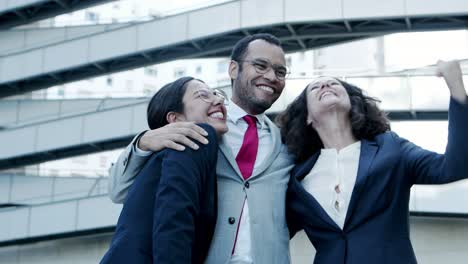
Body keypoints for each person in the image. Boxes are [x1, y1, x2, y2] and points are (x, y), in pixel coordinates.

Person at [107, 34, 295, 263]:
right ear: (234, 69)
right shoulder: (192, 130)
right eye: (260, 65)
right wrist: (143, 142)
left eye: (280, 71)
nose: (271, 76)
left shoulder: (287, 144)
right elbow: (119, 191)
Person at [277, 60, 468, 263]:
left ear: (353, 103)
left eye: (334, 84)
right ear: (307, 116)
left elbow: (455, 167)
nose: (325, 85)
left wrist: (456, 87)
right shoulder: (298, 176)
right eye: (315, 87)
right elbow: (273, 231)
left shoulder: (392, 148)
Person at [101, 77, 228, 264]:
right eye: (203, 95)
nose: (218, 100)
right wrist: (142, 142)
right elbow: (174, 222)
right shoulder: (194, 139)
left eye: (217, 94)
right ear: (175, 119)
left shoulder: (173, 158)